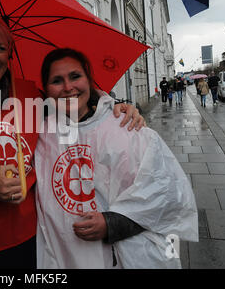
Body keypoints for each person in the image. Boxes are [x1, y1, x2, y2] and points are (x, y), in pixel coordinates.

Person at [0, 14, 146, 269]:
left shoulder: (31, 95)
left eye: (0, 48)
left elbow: (76, 111)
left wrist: (113, 108)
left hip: (34, 242)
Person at [35, 48, 198, 269]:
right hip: (66, 257)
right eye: (56, 80)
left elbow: (168, 195)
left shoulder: (127, 126)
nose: (67, 87)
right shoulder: (41, 133)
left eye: (75, 76)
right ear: (45, 89)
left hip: (127, 258)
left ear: (89, 79)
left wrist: (112, 223)